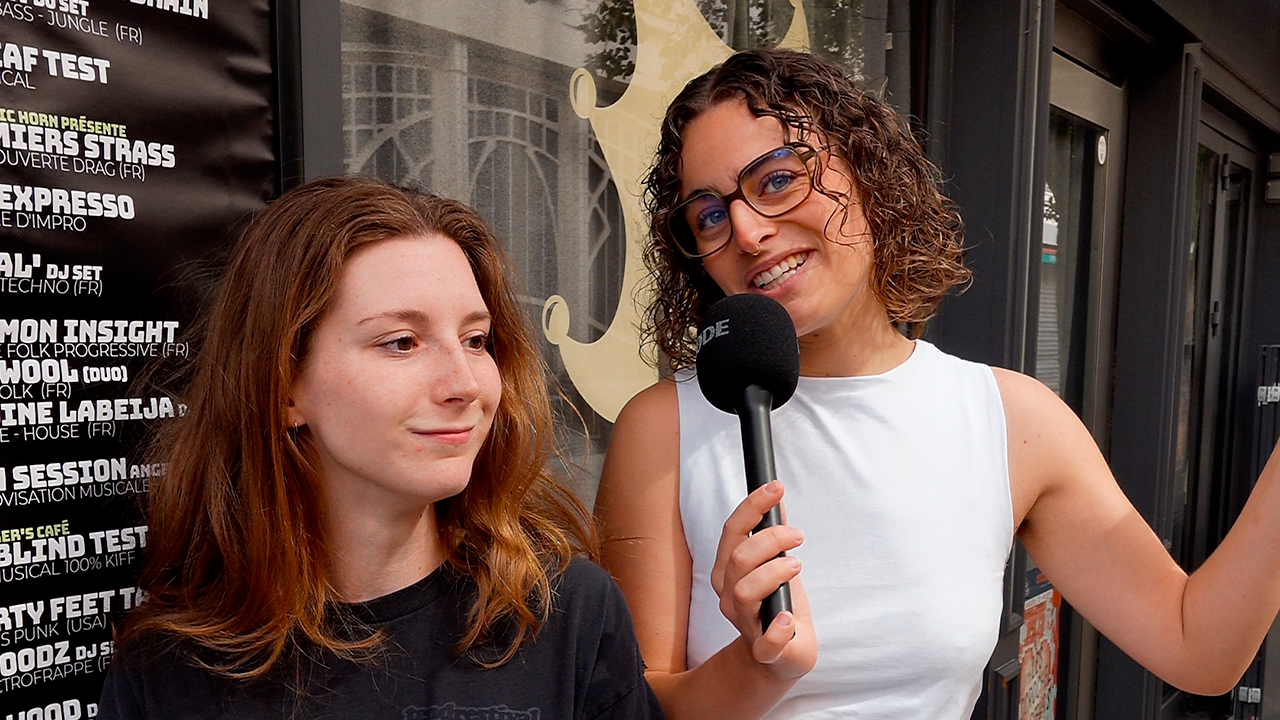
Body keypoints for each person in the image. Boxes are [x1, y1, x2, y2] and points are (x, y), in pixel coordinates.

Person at [596, 48, 1280, 719]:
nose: (745, 230)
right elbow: (625, 704)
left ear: (868, 174)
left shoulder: (1010, 421)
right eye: (709, 214)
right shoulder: (666, 427)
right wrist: (755, 668)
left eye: (777, 179)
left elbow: (1197, 648)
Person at [99, 177, 664, 720]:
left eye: (476, 340)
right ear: (282, 386)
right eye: (401, 342)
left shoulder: (565, 615)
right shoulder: (167, 668)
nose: (465, 383)